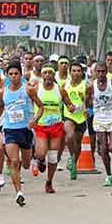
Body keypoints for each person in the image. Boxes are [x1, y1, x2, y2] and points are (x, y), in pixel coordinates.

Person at [0, 62, 43, 206]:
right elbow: (1, 108)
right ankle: (19, 192)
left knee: (25, 163)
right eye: (10, 74)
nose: (13, 76)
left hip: (26, 130)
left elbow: (41, 107)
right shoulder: (3, 92)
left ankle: (34, 158)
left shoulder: (28, 89)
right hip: (10, 129)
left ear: (20, 74)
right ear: (7, 75)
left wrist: (35, 120)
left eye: (16, 74)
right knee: (14, 161)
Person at [32, 64, 75, 193]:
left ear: (53, 75)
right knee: (41, 153)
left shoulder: (60, 90)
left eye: (50, 73)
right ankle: (39, 160)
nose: (48, 76)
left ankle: (49, 182)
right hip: (41, 126)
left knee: (53, 156)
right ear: (42, 75)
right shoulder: (36, 89)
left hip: (56, 126)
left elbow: (69, 105)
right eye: (45, 73)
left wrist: (72, 108)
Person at [62, 61, 87, 180]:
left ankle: (74, 164)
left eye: (78, 71)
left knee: (78, 144)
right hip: (69, 115)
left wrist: (87, 106)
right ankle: (72, 158)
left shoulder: (86, 85)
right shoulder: (65, 85)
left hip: (81, 117)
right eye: (74, 71)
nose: (76, 73)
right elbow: (60, 98)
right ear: (70, 72)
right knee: (70, 136)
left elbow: (91, 101)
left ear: (82, 73)